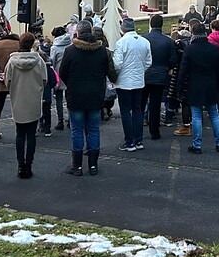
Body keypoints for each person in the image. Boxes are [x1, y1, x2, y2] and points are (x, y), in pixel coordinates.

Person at [59, 20, 109, 176]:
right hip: (95, 95)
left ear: (78, 33)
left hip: (76, 96)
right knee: (93, 130)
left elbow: (62, 73)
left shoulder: (70, 51)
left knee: (77, 130)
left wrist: (72, 84)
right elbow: (106, 70)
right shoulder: (101, 50)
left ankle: (77, 166)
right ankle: (93, 165)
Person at [4, 32, 48, 179]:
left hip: (18, 100)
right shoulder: (39, 61)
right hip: (33, 100)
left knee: (20, 134)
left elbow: (7, 81)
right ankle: (28, 165)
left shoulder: (12, 62)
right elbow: (44, 80)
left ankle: (20, 165)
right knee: (31, 135)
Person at [177, 21, 219, 154]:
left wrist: (179, 87)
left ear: (193, 33)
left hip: (195, 86)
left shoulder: (189, 49)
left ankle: (197, 145)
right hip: (211, 85)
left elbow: (183, 71)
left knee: (196, 116)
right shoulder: (214, 49)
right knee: (214, 114)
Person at [112, 16, 151, 152]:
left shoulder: (121, 43)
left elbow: (117, 64)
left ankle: (129, 142)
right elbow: (148, 62)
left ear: (123, 29)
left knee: (125, 112)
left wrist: (115, 76)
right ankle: (138, 140)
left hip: (124, 82)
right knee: (137, 110)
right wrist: (140, 71)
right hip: (138, 81)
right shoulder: (145, 42)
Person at [142, 15, 176, 140]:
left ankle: (137, 131)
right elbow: (173, 60)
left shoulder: (143, 39)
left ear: (151, 24)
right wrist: (167, 67)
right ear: (162, 24)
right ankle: (154, 131)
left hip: (145, 74)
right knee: (155, 104)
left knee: (141, 104)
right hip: (160, 75)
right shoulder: (168, 41)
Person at [0, 31, 20, 142]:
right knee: (19, 107)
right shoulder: (18, 45)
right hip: (16, 80)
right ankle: (21, 132)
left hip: (0, 81)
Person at [49, 26, 72, 131]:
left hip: (58, 74)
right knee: (69, 98)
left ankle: (60, 120)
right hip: (69, 74)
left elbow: (52, 62)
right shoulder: (70, 44)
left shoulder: (54, 47)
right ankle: (70, 119)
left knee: (59, 98)